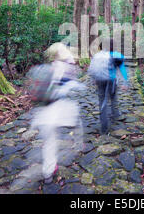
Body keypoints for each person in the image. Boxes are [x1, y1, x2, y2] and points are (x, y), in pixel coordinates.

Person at [27, 42, 84, 184]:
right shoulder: (66, 66)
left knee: (49, 142)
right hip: (60, 108)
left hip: (44, 112)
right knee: (77, 122)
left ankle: (48, 171)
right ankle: (78, 144)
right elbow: (71, 84)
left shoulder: (44, 68)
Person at [88, 38, 129, 134]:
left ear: (101, 46)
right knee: (113, 96)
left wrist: (94, 79)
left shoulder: (97, 55)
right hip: (111, 80)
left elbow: (92, 69)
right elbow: (123, 70)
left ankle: (104, 126)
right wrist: (125, 82)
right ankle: (115, 115)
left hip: (99, 80)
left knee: (102, 101)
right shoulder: (117, 55)